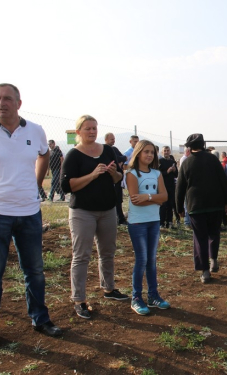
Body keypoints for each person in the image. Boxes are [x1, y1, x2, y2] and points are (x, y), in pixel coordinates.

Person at [0, 83, 62, 337]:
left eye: (7, 98)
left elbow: (44, 155)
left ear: (18, 103)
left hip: (29, 212)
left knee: (34, 270)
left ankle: (40, 319)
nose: (1, 103)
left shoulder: (35, 131)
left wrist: (36, 183)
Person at [61, 115, 129, 319]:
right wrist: (92, 175)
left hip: (107, 209)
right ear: (79, 131)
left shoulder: (107, 150)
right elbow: (67, 186)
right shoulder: (73, 155)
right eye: (88, 128)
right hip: (83, 212)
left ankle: (109, 289)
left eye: (94, 128)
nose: (92, 131)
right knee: (81, 256)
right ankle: (79, 299)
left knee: (107, 252)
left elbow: (118, 178)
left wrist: (112, 173)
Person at [176, 134, 227, 283]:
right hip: (215, 204)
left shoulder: (186, 163)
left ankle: (205, 271)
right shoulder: (213, 159)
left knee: (200, 237)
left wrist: (179, 207)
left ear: (189, 147)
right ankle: (213, 259)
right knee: (214, 233)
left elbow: (180, 187)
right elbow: (223, 181)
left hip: (196, 206)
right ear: (203, 144)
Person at [126, 140, 169, 315]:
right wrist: (154, 198)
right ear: (138, 154)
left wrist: (148, 197)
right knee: (142, 260)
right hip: (137, 223)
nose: (150, 155)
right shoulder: (132, 174)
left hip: (154, 221)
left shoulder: (157, 173)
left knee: (151, 260)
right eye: (146, 152)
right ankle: (136, 297)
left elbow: (165, 196)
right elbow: (135, 199)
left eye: (152, 152)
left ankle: (153, 295)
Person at [104, 132, 128, 225]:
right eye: (111, 139)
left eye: (114, 139)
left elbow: (123, 158)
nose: (113, 141)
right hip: (111, 180)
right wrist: (120, 159)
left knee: (119, 199)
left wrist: (121, 159)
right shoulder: (105, 150)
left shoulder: (114, 149)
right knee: (114, 199)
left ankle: (120, 218)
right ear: (106, 140)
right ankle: (117, 219)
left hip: (118, 178)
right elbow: (117, 159)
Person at [159, 146, 179, 229]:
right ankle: (161, 223)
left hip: (171, 186)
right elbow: (158, 174)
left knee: (170, 204)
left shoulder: (172, 161)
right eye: (165, 151)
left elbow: (176, 174)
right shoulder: (160, 161)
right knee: (163, 205)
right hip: (163, 186)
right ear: (162, 152)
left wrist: (174, 170)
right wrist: (166, 172)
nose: (166, 152)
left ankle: (169, 222)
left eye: (168, 150)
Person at [179, 147, 192, 228]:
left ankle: (188, 222)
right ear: (188, 151)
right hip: (186, 184)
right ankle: (187, 222)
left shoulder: (185, 159)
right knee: (186, 204)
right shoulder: (185, 159)